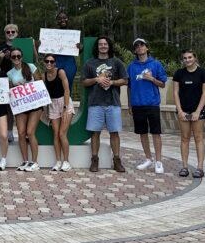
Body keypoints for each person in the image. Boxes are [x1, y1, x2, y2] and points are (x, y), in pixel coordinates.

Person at [82, 36, 128, 173]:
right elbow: (84, 82)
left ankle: (117, 160)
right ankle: (94, 160)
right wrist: (96, 79)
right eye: (100, 44)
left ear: (109, 46)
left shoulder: (116, 62)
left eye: (105, 44)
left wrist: (112, 82)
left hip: (113, 103)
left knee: (114, 132)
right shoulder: (90, 63)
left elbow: (125, 80)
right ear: (97, 47)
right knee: (95, 133)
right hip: (95, 102)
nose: (103, 46)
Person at [127, 38, 169, 174]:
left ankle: (158, 161)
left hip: (152, 104)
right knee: (142, 133)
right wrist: (129, 104)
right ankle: (148, 158)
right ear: (135, 50)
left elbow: (162, 84)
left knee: (156, 133)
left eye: (142, 45)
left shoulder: (155, 64)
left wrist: (152, 79)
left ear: (147, 48)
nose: (140, 48)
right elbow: (129, 86)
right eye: (137, 46)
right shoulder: (131, 66)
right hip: (137, 104)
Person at [173, 49, 205, 178]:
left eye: (190, 57)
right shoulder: (179, 73)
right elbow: (175, 93)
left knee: (198, 137)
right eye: (185, 58)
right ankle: (184, 167)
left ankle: (200, 168)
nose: (187, 60)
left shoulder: (203, 73)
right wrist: (180, 110)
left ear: (195, 58)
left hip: (198, 111)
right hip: (183, 111)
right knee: (184, 138)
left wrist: (197, 111)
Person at [40, 52, 75, 172]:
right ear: (44, 63)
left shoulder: (60, 72)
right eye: (47, 61)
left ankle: (66, 161)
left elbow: (67, 90)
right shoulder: (43, 75)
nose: (49, 63)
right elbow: (44, 93)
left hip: (64, 102)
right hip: (53, 104)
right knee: (55, 134)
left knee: (62, 134)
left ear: (55, 63)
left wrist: (65, 108)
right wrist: (45, 109)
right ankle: (58, 161)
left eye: (51, 61)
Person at [7, 48, 41, 171]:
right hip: (21, 106)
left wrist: (27, 86)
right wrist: (16, 88)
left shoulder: (30, 67)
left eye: (18, 56)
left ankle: (35, 162)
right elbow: (11, 92)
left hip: (34, 104)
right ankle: (26, 161)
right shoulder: (10, 74)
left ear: (21, 56)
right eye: (14, 56)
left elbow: (40, 82)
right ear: (11, 58)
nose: (16, 58)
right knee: (21, 133)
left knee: (30, 132)